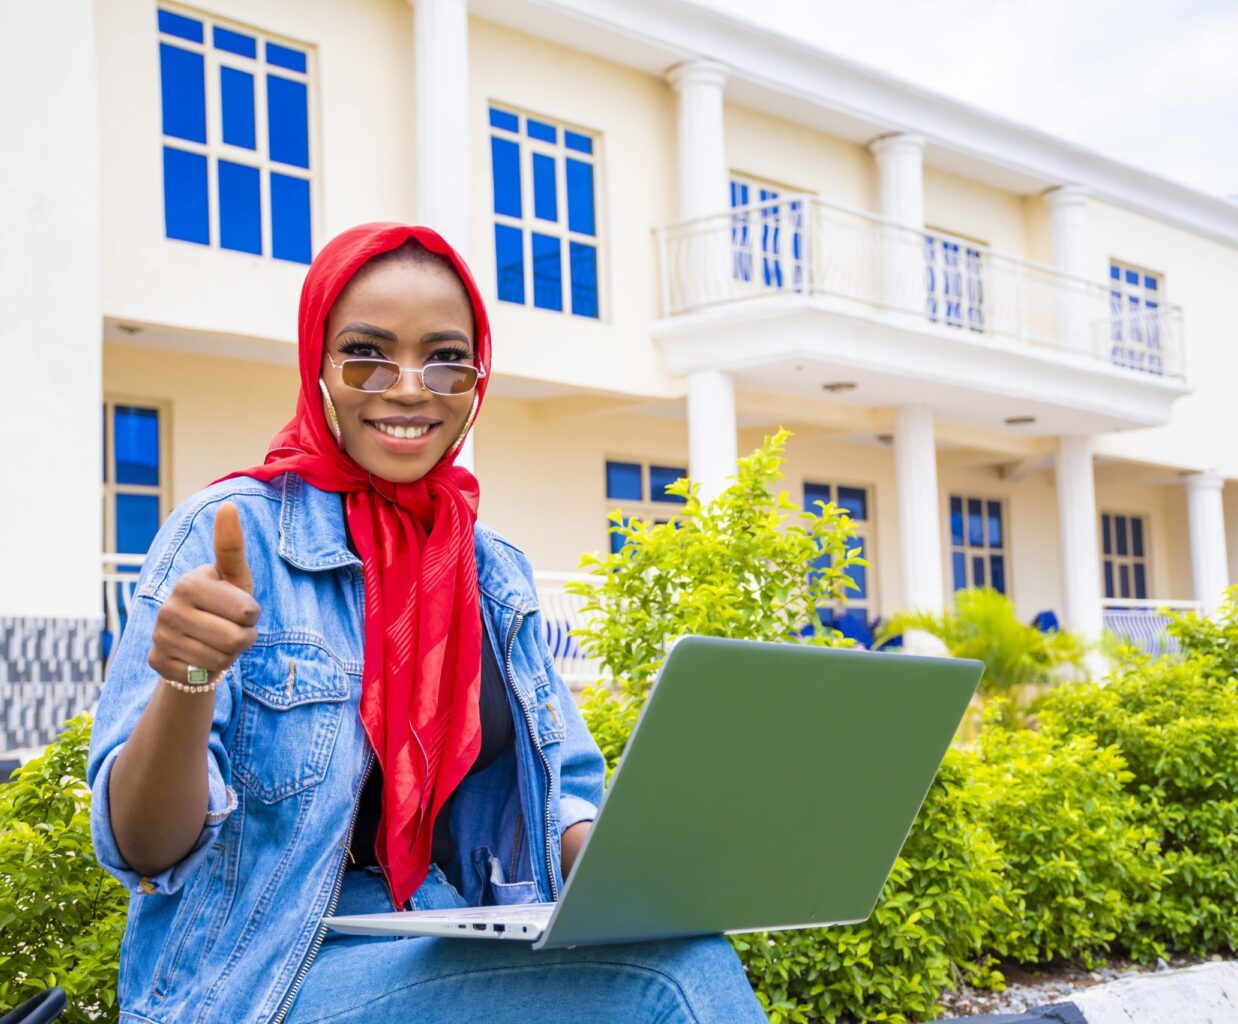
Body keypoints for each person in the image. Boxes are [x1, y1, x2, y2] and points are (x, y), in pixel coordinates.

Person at [87, 222, 768, 1024]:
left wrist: (665, 879)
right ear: (319, 368)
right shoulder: (231, 533)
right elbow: (141, 848)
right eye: (366, 353)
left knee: (678, 946)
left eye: (446, 358)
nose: (409, 387)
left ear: (477, 377)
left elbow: (565, 812)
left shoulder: (490, 568)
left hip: (437, 931)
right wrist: (186, 682)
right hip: (257, 973)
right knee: (671, 980)